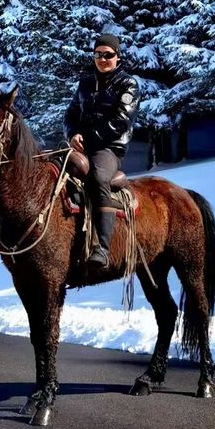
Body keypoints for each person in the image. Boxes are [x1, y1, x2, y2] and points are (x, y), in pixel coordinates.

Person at [63, 34, 141, 269]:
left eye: (108, 55)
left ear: (118, 57)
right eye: (98, 54)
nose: (103, 59)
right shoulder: (85, 83)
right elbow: (70, 115)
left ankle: (102, 248)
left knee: (97, 178)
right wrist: (72, 134)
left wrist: (88, 139)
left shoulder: (128, 85)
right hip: (82, 145)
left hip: (109, 148)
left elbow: (121, 121)